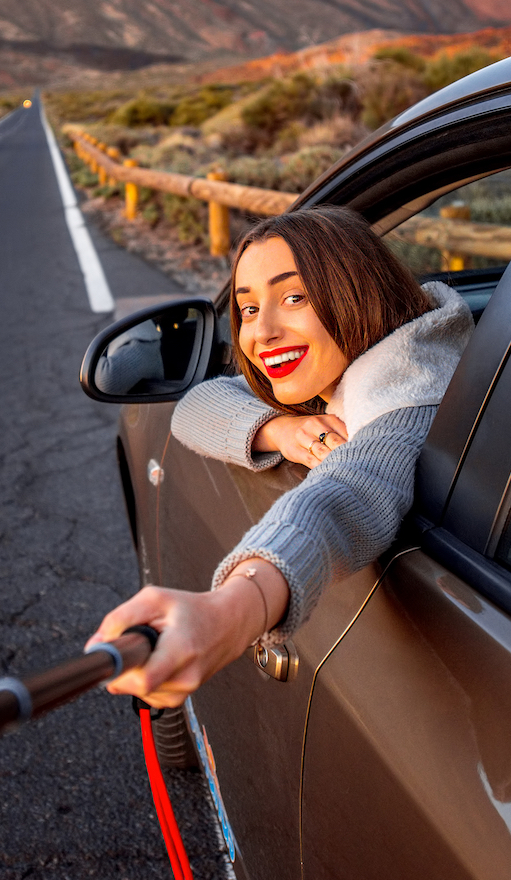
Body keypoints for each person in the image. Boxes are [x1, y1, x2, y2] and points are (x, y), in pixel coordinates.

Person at [89, 206, 474, 707]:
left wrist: (230, 611)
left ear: (357, 293)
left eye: (294, 297)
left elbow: (340, 500)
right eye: (247, 309)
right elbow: (195, 406)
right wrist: (282, 430)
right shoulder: (401, 358)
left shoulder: (406, 406)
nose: (261, 333)